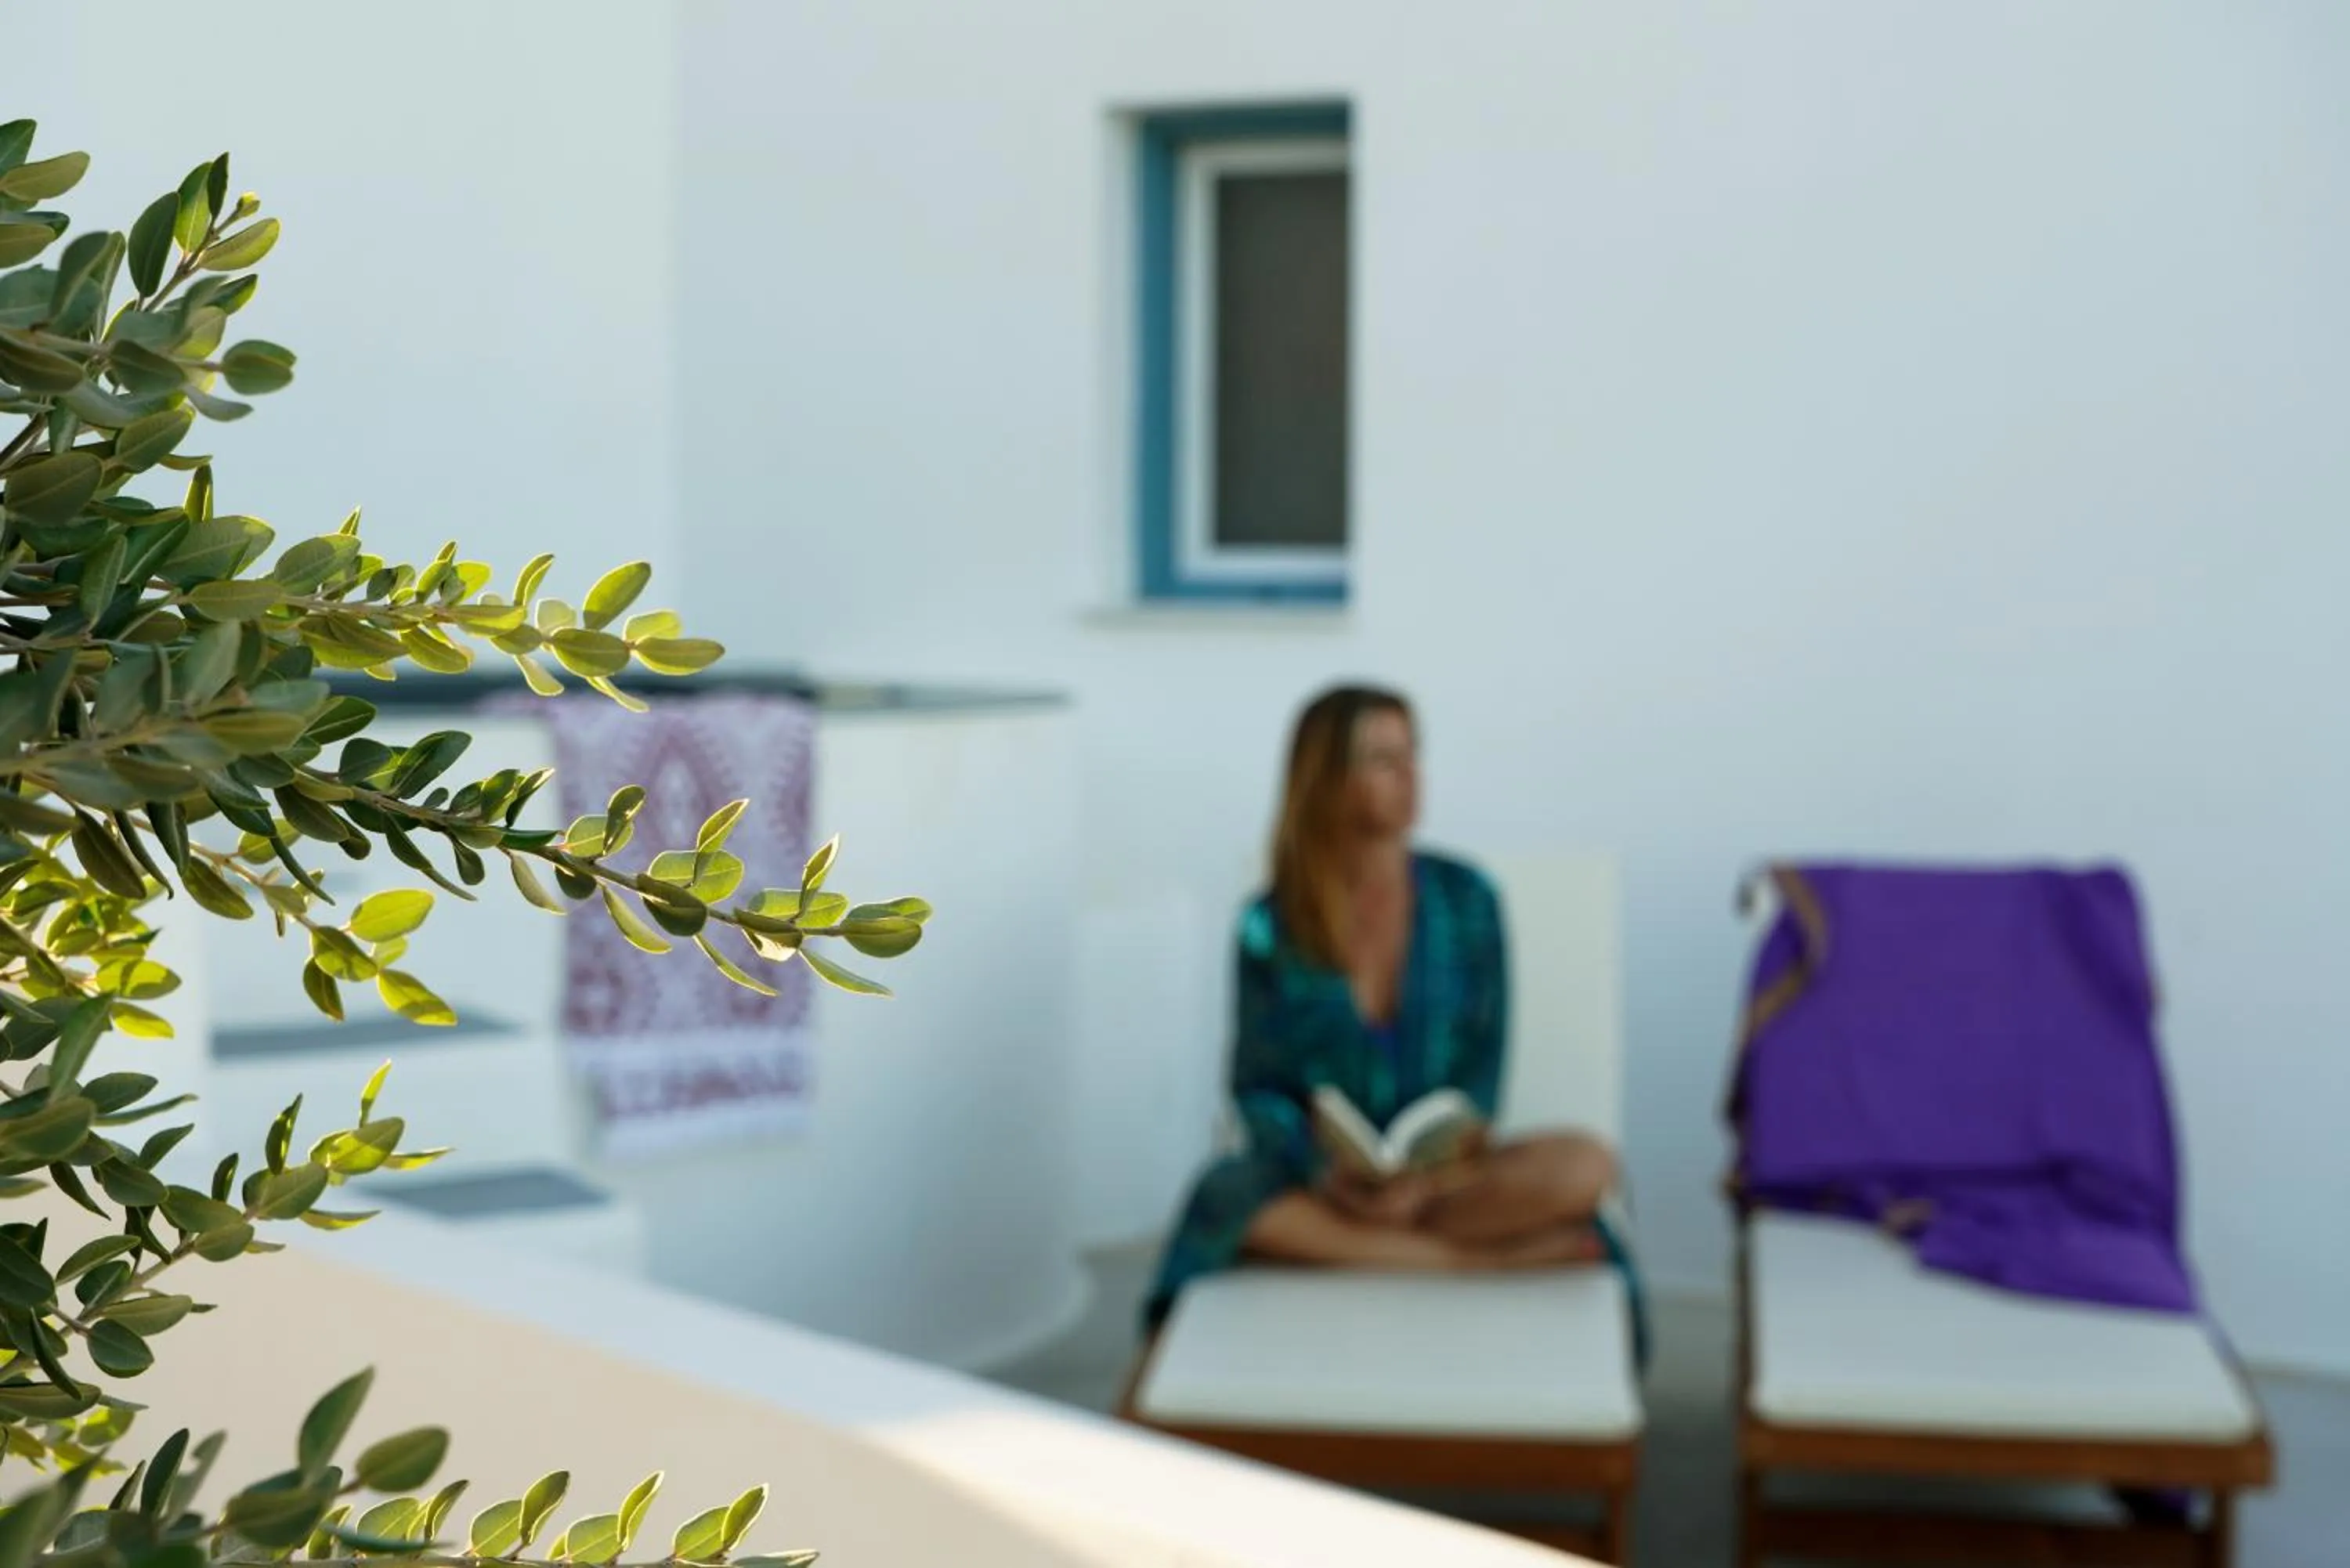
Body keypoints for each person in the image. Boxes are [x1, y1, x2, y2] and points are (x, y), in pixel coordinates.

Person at [1145, 685, 1642, 1340]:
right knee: (1223, 1194)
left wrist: (1427, 1182)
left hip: (1445, 1187)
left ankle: (1352, 1250)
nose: (1411, 778)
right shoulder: (1270, 924)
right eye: (1383, 760)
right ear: (1329, 780)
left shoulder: (1468, 900)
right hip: (1325, 1185)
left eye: (1413, 755)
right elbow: (1257, 1087)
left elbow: (1481, 1076)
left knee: (1587, 1164)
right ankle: (1472, 1265)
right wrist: (1330, 1176)